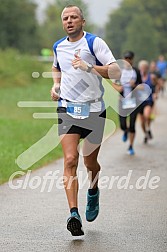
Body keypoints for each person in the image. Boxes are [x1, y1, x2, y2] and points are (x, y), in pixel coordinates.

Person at [50, 5, 120, 236]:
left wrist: (89, 67)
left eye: (74, 17)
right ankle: (73, 214)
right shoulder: (58, 46)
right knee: (70, 159)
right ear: (63, 23)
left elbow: (116, 72)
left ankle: (94, 189)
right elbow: (56, 67)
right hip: (67, 108)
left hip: (94, 110)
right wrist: (56, 84)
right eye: (65, 18)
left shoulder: (94, 43)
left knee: (90, 164)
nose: (69, 21)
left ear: (83, 21)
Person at [117, 51, 142, 155]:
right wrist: (119, 89)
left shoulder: (136, 71)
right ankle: (125, 131)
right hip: (123, 101)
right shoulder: (119, 71)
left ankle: (131, 146)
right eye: (126, 58)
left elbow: (142, 86)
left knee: (132, 124)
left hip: (134, 101)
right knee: (122, 124)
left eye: (129, 58)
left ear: (132, 60)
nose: (127, 60)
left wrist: (134, 85)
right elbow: (114, 84)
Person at [138, 60, 155, 143]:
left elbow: (156, 85)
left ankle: (148, 129)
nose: (143, 69)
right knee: (142, 122)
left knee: (147, 116)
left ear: (147, 68)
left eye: (144, 68)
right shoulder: (138, 77)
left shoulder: (151, 77)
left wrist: (155, 93)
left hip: (148, 100)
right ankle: (146, 134)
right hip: (140, 102)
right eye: (141, 68)